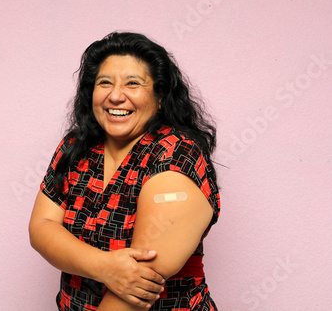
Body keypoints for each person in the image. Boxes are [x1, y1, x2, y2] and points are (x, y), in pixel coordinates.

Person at [29, 32, 220, 310]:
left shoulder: (176, 155)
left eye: (133, 84)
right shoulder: (76, 146)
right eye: (104, 83)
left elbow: (138, 285)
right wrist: (105, 266)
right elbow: (42, 227)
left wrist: (99, 266)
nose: (115, 96)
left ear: (160, 96)